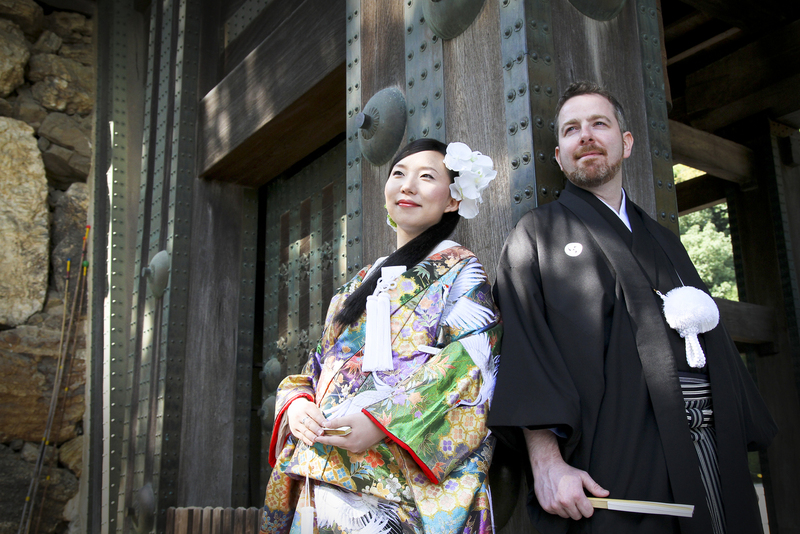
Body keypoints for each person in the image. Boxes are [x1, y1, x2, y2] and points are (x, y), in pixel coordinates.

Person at [487, 81, 776, 534]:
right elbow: (526, 353)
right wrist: (546, 464)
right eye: (571, 129)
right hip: (616, 455)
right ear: (559, 156)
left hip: (706, 443)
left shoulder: (664, 241)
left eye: (598, 124)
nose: (585, 135)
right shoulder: (537, 235)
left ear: (626, 143)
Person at [261, 138, 502, 534]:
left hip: (398, 481)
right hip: (323, 468)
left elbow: (471, 364)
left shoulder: (462, 273)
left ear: (453, 200)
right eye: (398, 174)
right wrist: (297, 406)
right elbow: (313, 370)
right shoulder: (356, 285)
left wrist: (382, 422)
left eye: (427, 177)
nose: (408, 186)